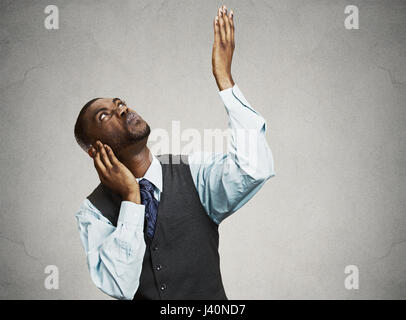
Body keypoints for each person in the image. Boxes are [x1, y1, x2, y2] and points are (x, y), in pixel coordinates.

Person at [74, 5, 275, 300]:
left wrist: (224, 79)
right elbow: (119, 286)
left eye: (119, 102)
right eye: (104, 116)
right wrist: (132, 197)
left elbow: (253, 169)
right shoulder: (93, 212)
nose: (121, 108)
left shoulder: (193, 173)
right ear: (94, 150)